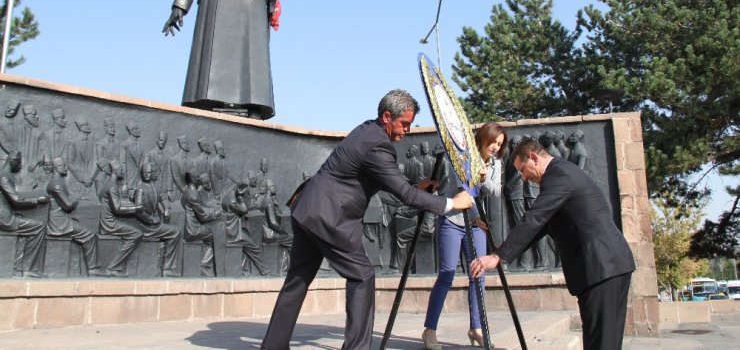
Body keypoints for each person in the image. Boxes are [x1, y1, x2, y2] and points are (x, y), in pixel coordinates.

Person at [261, 90, 473, 350]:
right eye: (404, 123)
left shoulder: (367, 130)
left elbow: (382, 179)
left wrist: (416, 185)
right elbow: (405, 195)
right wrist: (452, 203)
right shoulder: (378, 145)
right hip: (329, 216)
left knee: (297, 280)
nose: (407, 130)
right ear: (387, 117)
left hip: (308, 209)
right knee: (362, 275)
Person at [469, 137, 635, 350]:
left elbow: (536, 218)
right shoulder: (559, 175)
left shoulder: (560, 174)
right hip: (603, 267)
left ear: (534, 157)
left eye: (522, 170)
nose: (524, 178)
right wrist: (501, 255)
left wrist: (497, 257)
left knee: (602, 343)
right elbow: (540, 226)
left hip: (602, 266)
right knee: (602, 342)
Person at [422, 123, 508, 350]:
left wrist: (482, 179)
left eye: (500, 144)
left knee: (478, 275)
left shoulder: (495, 164)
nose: (496, 147)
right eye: (493, 142)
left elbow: (496, 191)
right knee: (447, 274)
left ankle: (476, 328)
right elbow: (452, 191)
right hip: (451, 220)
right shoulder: (459, 158)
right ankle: (429, 331)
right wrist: (470, 173)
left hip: (475, 223)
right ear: (482, 139)